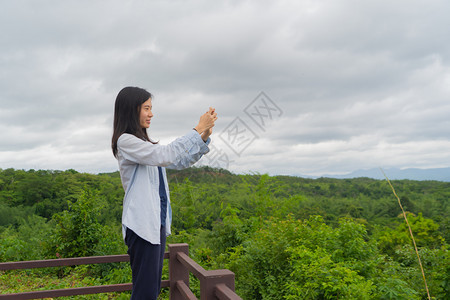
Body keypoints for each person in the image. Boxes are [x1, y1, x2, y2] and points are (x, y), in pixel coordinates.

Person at [111, 86, 217, 299]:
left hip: (155, 223)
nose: (151, 113)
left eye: (151, 108)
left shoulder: (144, 146)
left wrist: (203, 138)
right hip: (141, 225)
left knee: (151, 289)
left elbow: (180, 160)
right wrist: (196, 130)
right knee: (146, 292)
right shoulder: (126, 141)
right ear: (131, 110)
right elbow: (167, 154)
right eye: (146, 108)